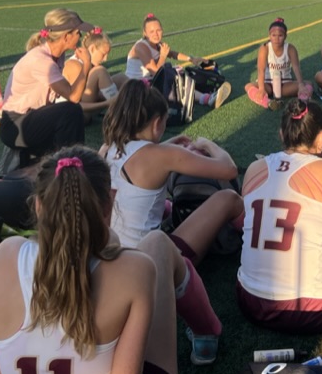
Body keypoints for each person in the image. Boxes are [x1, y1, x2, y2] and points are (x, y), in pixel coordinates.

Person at [0, 147, 203, 374]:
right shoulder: (135, 269)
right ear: (108, 205)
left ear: (38, 206)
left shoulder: (3, 259)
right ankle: (207, 334)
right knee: (158, 244)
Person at [237, 100, 322, 333]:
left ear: (281, 134)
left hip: (250, 300)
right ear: (321, 139)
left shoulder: (254, 169)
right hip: (313, 309)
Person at [100, 80, 242, 258]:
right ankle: (255, 239)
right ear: (157, 123)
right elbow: (229, 169)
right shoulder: (163, 155)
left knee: (167, 206)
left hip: (113, 256)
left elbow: (139, 160)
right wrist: (208, 144)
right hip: (150, 263)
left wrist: (170, 144)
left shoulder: (109, 148)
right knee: (229, 198)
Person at [0, 9, 92, 169]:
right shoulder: (41, 61)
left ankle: (65, 161)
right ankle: (69, 167)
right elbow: (74, 96)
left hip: (30, 117)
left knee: (68, 115)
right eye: (78, 33)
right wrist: (86, 66)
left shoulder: (57, 55)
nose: (80, 37)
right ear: (66, 36)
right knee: (71, 111)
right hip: (15, 124)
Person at [125, 13, 231, 109]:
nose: (156, 34)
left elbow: (172, 54)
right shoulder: (141, 47)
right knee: (174, 79)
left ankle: (208, 93)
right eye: (151, 31)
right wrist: (162, 56)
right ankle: (207, 99)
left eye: (158, 30)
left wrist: (191, 59)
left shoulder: (156, 43)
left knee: (181, 72)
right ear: (145, 33)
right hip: (138, 87)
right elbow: (156, 73)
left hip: (151, 81)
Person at [245, 17, 312, 109]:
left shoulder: (290, 48)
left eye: (280, 35)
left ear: (285, 36)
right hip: (268, 84)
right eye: (273, 35)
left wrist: (301, 85)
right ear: (269, 35)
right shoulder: (265, 48)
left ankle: (302, 101)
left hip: (284, 85)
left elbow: (296, 68)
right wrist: (261, 88)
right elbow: (261, 70)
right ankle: (268, 103)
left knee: (307, 84)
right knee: (249, 86)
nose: (276, 39)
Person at [60, 28, 123, 123]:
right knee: (100, 71)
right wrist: (106, 103)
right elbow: (76, 104)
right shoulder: (74, 65)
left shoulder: (92, 64)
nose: (105, 59)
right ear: (92, 49)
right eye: (103, 54)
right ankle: (123, 112)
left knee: (121, 78)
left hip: (84, 110)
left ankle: (140, 104)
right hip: (72, 115)